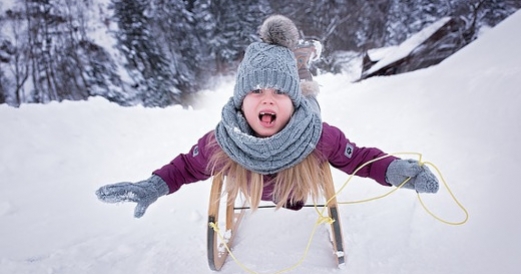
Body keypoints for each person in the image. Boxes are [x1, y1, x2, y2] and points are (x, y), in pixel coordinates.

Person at [95, 15, 439, 218]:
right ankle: (294, 63)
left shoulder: (317, 136)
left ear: (291, 102)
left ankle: (298, 67)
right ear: (241, 102)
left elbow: (360, 160)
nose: (267, 100)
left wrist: (397, 171)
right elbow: (186, 167)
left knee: (304, 87)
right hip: (275, 133)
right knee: (289, 82)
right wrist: (153, 186)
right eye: (256, 92)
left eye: (277, 94)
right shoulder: (223, 141)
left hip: (299, 138)